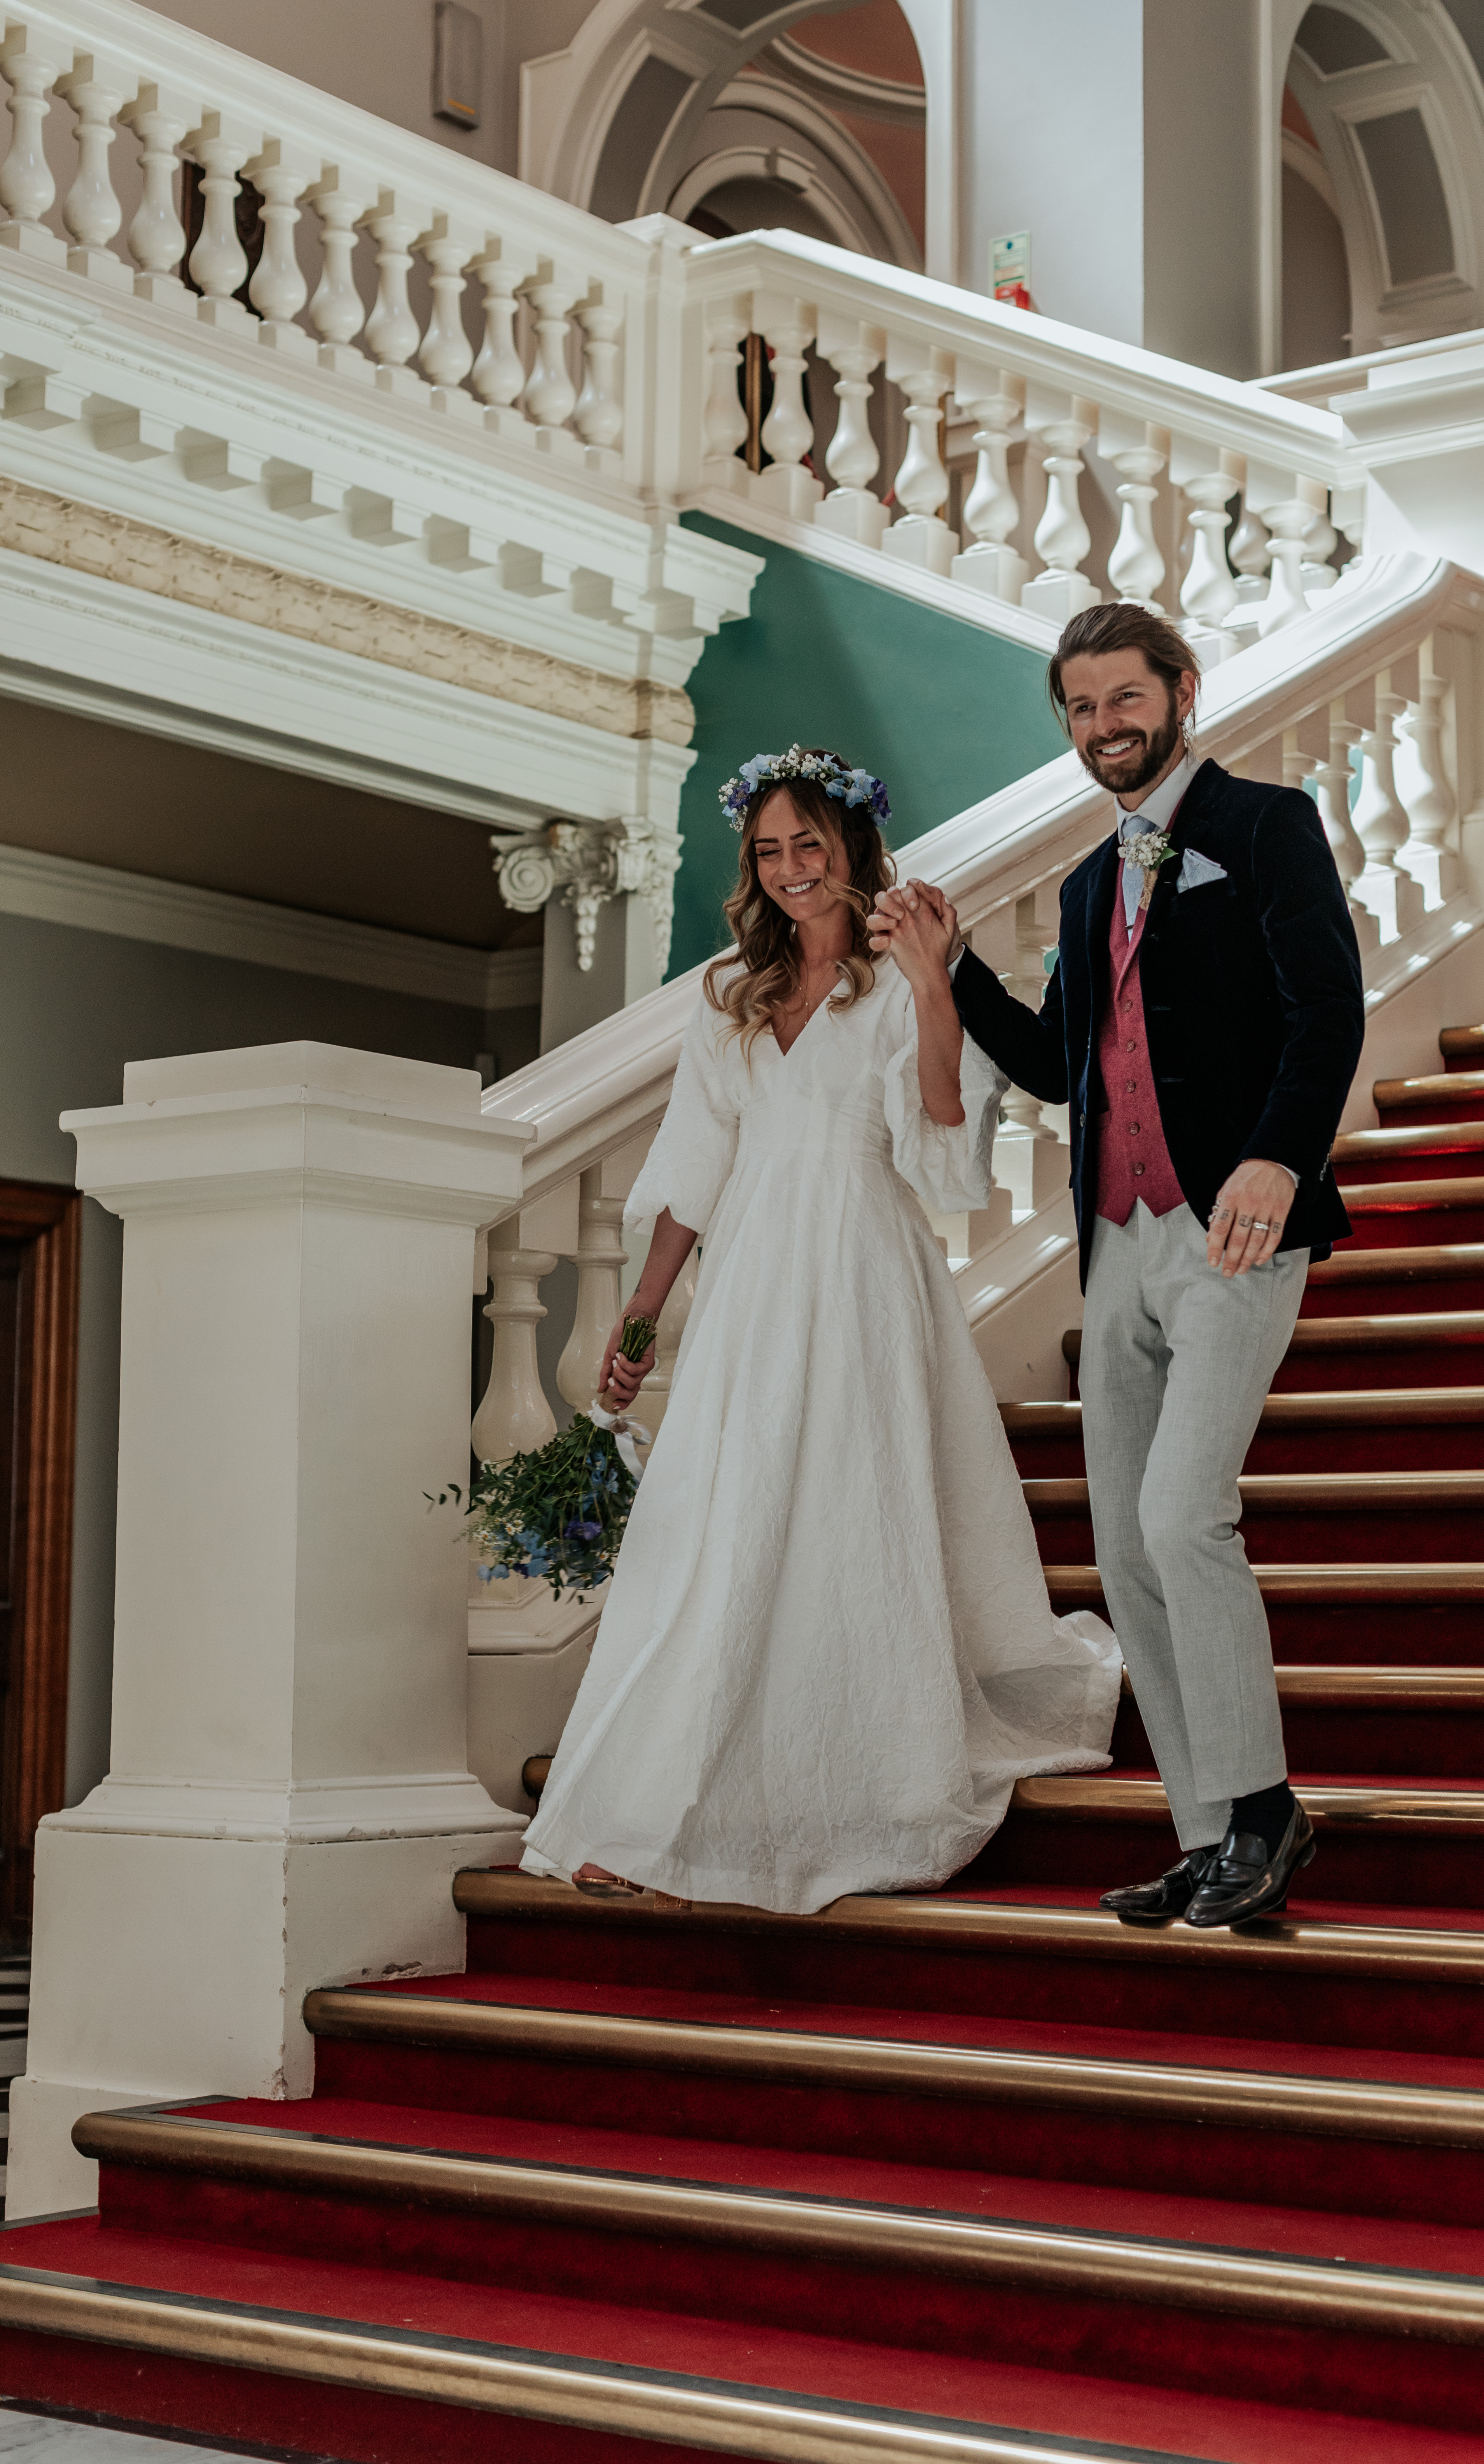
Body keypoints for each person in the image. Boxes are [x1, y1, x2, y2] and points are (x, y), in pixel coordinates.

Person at [519, 744, 1122, 1915]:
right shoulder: (724, 994)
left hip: (862, 1273)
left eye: (811, 845)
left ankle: (853, 1791)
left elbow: (942, 1154)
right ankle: (651, 1807)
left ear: (852, 850)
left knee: (852, 1521)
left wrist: (939, 981)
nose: (792, 868)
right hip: (751, 1286)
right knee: (717, 1538)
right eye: (769, 850)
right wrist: (642, 1314)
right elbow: (697, 1161)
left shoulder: (901, 980)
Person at [869, 605, 1364, 1928]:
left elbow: (1327, 1006)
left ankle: (1266, 1814)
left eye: (1122, 701)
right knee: (1125, 1547)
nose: (1104, 729)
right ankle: (1207, 1835)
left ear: (1180, 691)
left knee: (1180, 1516)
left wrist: (1275, 1157)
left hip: (1230, 1227)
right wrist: (952, 970)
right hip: (1117, 1238)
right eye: (1080, 710)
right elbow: (1054, 1066)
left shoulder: (1265, 827)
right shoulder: (1091, 886)